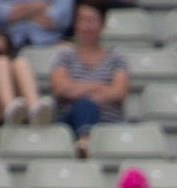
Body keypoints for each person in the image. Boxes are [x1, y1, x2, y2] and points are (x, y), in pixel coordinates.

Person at [49, 1, 129, 158]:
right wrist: (99, 86)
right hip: (69, 124)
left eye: (91, 20)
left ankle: (86, 143)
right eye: (82, 20)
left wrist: (76, 88)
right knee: (85, 105)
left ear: (102, 24)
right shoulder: (65, 56)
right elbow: (60, 88)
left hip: (108, 124)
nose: (86, 26)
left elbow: (118, 92)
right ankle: (85, 141)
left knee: (87, 104)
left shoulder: (116, 59)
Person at [0, 0, 70, 51]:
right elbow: (1, 16)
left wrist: (19, 13)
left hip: (50, 43)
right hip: (7, 45)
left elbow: (58, 20)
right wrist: (39, 6)